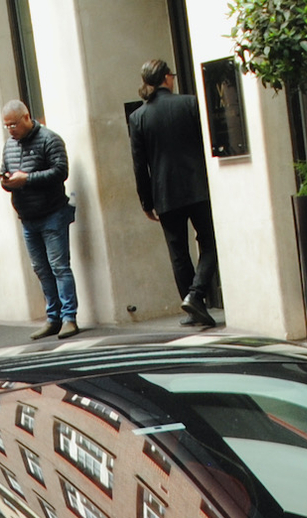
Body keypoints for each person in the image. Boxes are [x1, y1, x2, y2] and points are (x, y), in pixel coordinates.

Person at [127, 60, 218, 328]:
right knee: (210, 241)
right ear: (167, 77)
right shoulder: (189, 104)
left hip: (164, 193)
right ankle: (196, 294)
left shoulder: (138, 117)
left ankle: (193, 308)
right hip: (197, 186)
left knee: (178, 251)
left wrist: (146, 201)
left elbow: (139, 165)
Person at [0, 101, 78, 339]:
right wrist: (6, 181)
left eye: (13, 124)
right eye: (6, 126)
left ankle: (69, 318)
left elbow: (60, 171)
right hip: (27, 216)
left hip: (52, 213)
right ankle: (52, 317)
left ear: (26, 117)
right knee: (41, 269)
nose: (11, 129)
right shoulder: (9, 145)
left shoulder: (49, 139)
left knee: (59, 266)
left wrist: (27, 179)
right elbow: (5, 170)